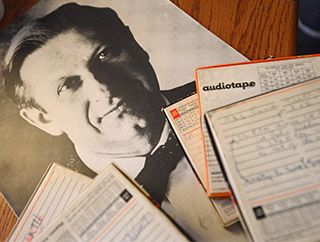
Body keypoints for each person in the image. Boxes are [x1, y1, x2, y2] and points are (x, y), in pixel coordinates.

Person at [3, 3, 245, 241]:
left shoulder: (234, 94)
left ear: (135, 45)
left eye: (104, 54)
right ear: (43, 119)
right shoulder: (51, 215)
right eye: (67, 85)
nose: (103, 89)